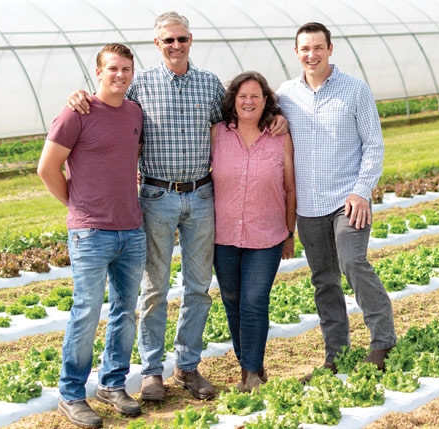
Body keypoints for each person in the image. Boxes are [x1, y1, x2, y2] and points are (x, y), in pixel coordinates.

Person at [66, 12, 288, 402]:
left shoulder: (209, 86)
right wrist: (79, 94)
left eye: (182, 39)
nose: (175, 46)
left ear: (190, 41)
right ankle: (152, 372)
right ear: (157, 44)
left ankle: (187, 366)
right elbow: (110, 105)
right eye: (168, 40)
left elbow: (241, 118)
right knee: (153, 289)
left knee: (199, 288)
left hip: (202, 196)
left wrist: (278, 118)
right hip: (156, 197)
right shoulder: (139, 86)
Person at [276, 22, 397, 378]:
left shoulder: (355, 90)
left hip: (348, 200)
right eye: (304, 49)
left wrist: (362, 191)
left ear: (330, 49)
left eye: (317, 48)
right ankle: (336, 354)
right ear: (296, 53)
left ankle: (383, 341)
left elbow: (374, 145)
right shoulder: (285, 94)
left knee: (353, 263)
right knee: (323, 279)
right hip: (308, 206)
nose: (311, 55)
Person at [37, 43, 145, 428]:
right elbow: (47, 167)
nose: (120, 75)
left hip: (132, 230)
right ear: (98, 72)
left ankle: (113, 384)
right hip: (91, 232)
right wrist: (77, 207)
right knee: (85, 313)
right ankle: (71, 394)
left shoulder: (135, 112)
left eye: (126, 69)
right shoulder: (76, 112)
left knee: (124, 312)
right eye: (112, 68)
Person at [211, 71, 296, 392]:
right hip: (224, 236)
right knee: (232, 302)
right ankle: (253, 365)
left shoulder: (280, 137)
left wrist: (289, 233)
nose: (248, 101)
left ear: (266, 102)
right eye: (242, 96)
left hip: (267, 235)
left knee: (255, 301)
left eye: (255, 97)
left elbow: (290, 189)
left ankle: (248, 376)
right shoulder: (217, 134)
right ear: (233, 100)